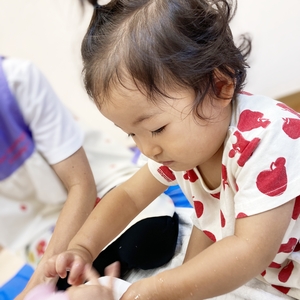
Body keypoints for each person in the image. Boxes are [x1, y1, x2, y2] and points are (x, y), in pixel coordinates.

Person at [43, 0, 300, 299]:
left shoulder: (267, 139)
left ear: (220, 85)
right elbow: (128, 196)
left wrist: (150, 290)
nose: (147, 148)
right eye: (131, 133)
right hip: (268, 269)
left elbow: (248, 250)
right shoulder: (187, 146)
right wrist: (83, 247)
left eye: (155, 129)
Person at [0, 56, 179, 299]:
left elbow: (82, 186)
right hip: (40, 227)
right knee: (67, 279)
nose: (150, 148)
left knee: (149, 242)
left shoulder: (17, 81)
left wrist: (44, 279)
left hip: (97, 186)